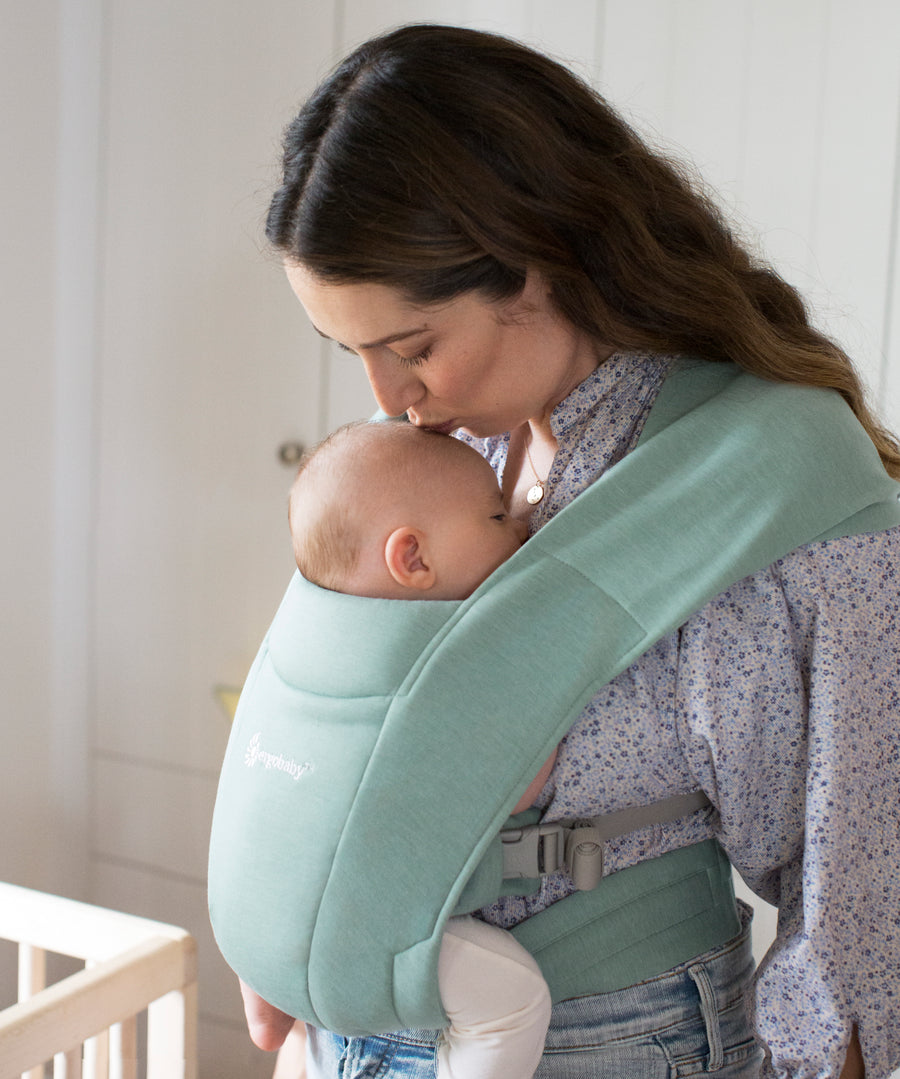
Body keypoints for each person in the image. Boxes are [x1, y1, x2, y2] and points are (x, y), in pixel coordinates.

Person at [258, 22, 900, 1079]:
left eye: (412, 347)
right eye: (354, 352)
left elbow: (859, 886)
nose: (388, 400)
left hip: (603, 1033)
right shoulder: (457, 448)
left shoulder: (762, 479)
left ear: (541, 258)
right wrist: (288, 914)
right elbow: (340, 698)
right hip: (359, 1006)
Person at [239, 419, 556, 1079]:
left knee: (278, 926)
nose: (520, 526)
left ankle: (271, 1010)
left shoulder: (304, 643)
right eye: (497, 515)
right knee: (514, 999)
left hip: (259, 906)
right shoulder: (442, 670)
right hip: (364, 919)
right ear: (413, 557)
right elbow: (515, 792)